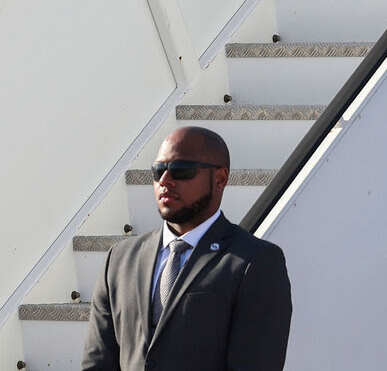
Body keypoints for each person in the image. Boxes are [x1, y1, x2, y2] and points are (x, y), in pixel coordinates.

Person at [81, 126, 292, 371]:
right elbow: (98, 363)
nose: (165, 181)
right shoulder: (120, 259)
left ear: (220, 179)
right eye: (158, 170)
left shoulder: (254, 261)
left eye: (181, 170)